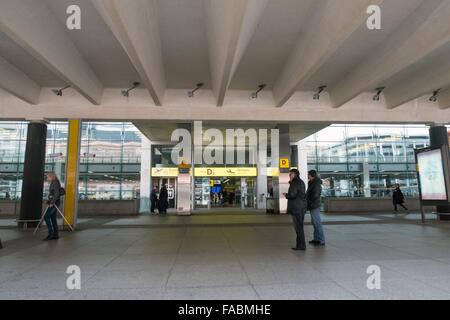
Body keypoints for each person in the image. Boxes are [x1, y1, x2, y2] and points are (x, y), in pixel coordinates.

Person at [284, 168, 307, 251]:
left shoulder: (295, 183)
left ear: (294, 174)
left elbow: (292, 195)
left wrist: (286, 195)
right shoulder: (300, 182)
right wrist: (291, 182)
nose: (289, 176)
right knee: (299, 227)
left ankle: (301, 246)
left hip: (296, 208)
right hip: (300, 207)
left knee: (298, 227)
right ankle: (300, 245)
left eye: (290, 174)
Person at [307, 170, 325, 246]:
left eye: (308, 175)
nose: (308, 176)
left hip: (314, 205)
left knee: (317, 223)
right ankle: (316, 239)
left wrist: (309, 202)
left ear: (312, 175)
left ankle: (321, 240)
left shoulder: (316, 184)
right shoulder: (312, 183)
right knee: (314, 223)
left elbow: (315, 195)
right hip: (312, 205)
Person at [43, 172, 61, 241]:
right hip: (53, 202)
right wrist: (49, 201)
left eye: (48, 177)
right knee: (53, 218)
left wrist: (52, 203)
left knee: (46, 216)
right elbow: (52, 193)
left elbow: (56, 194)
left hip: (54, 203)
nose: (47, 178)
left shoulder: (55, 182)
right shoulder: (54, 182)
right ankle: (55, 235)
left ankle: (51, 233)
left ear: (51, 176)